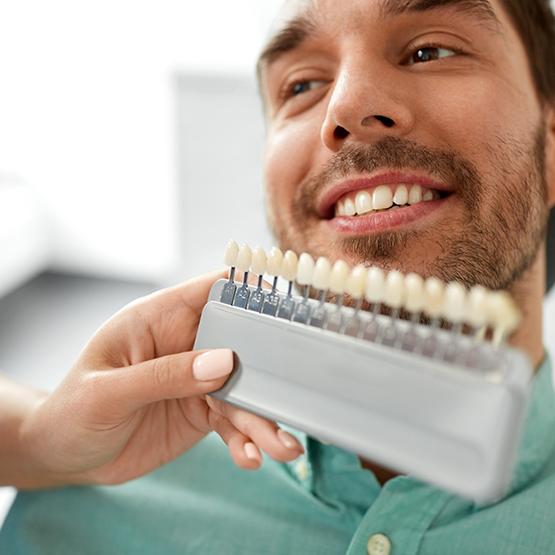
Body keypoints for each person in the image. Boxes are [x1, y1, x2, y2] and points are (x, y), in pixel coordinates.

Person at [2, 0, 555, 553]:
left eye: (429, 51)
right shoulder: (96, 468)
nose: (346, 106)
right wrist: (34, 439)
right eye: (300, 86)